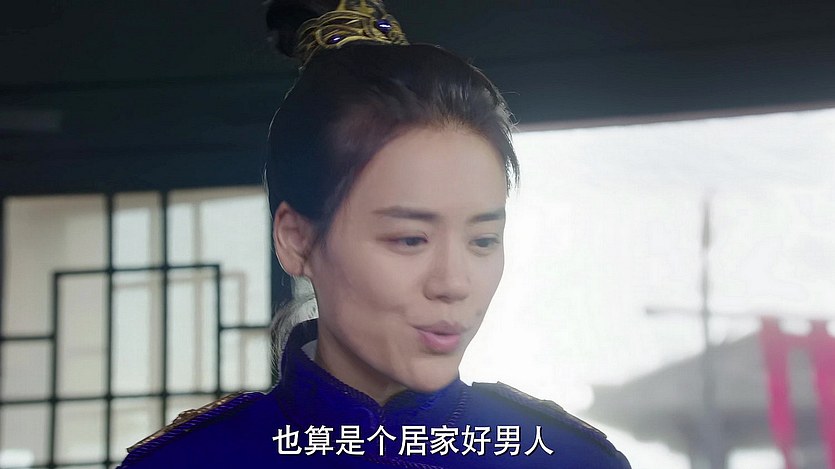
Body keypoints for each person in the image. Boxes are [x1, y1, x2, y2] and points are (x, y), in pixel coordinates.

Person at [118, 0, 631, 467]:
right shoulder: (191, 462)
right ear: (296, 239)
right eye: (410, 239)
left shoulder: (568, 459)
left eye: (482, 241)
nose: (454, 283)